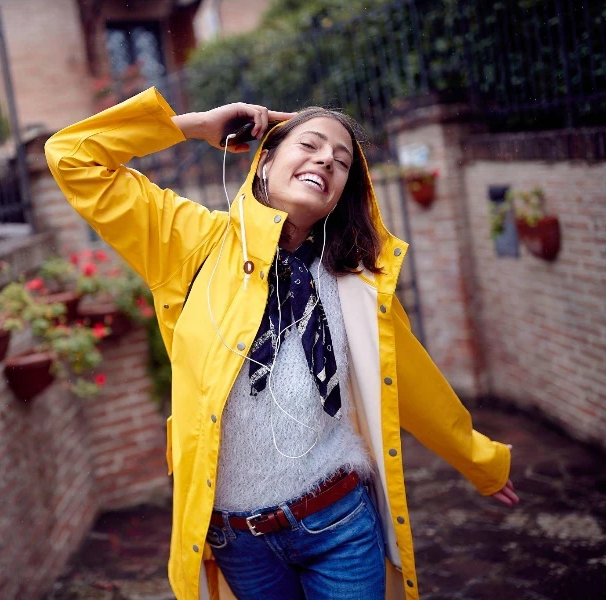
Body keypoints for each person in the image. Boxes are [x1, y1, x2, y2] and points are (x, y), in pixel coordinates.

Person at [45, 88, 519, 600]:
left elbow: (413, 383)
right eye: (310, 145)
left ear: (340, 195)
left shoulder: (353, 283)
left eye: (341, 162)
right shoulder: (191, 244)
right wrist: (194, 124)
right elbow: (73, 157)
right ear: (265, 160)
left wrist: (481, 462)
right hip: (239, 539)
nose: (325, 162)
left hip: (339, 521)